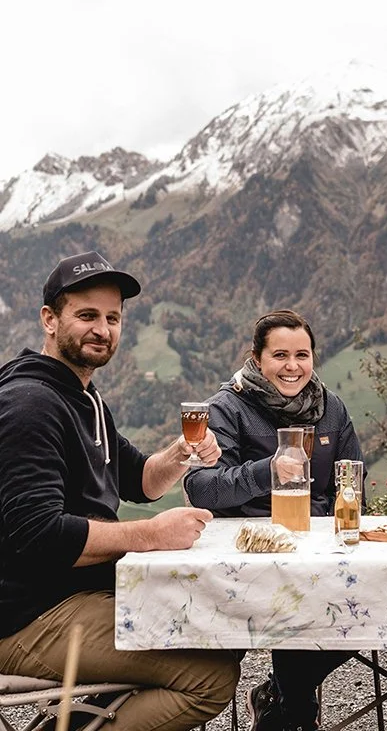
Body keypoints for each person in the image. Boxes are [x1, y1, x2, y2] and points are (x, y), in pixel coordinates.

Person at [0, 251, 240, 731]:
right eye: (87, 315)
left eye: (112, 318)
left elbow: (137, 479)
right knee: (210, 675)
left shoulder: (83, 396)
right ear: (50, 320)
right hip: (26, 617)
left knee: (219, 625)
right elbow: (38, 534)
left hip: (74, 596)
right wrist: (151, 535)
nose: (102, 329)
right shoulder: (31, 404)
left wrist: (179, 454)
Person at [185, 309, 364, 731]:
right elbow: (202, 488)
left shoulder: (330, 409)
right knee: (292, 611)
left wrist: (334, 517)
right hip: (246, 556)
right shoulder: (227, 407)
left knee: (367, 610)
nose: (292, 366)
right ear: (257, 358)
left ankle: (279, 699)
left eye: (302, 354)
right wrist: (270, 468)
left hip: (315, 551)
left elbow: (352, 479)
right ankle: (290, 708)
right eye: (280, 355)